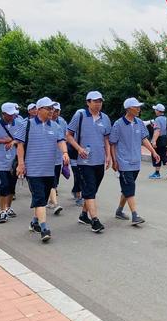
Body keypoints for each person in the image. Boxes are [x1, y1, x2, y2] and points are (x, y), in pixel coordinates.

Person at [15, 97, 69, 242]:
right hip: (33, 169)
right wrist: (21, 164)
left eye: (53, 108)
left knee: (43, 199)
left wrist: (65, 153)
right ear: (39, 110)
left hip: (49, 169)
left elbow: (61, 141)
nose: (52, 111)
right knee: (39, 198)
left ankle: (34, 221)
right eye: (48, 108)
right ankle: (44, 228)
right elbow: (19, 145)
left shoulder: (56, 126)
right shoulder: (26, 124)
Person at [110, 98, 160, 225]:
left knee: (127, 189)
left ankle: (119, 211)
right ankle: (135, 215)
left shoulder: (139, 123)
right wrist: (114, 160)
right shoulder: (118, 124)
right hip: (123, 163)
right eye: (136, 107)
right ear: (128, 109)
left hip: (136, 162)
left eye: (139, 107)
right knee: (130, 188)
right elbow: (113, 144)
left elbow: (144, 139)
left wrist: (153, 152)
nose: (139, 109)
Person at [66, 91, 111, 233]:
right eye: (95, 101)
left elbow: (106, 139)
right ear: (88, 102)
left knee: (92, 190)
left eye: (100, 101)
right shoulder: (79, 116)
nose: (98, 104)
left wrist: (108, 156)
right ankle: (95, 221)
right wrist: (79, 149)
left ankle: (84, 215)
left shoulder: (105, 118)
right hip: (84, 162)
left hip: (99, 160)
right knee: (90, 190)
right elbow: (68, 135)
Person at [46, 102, 66, 215]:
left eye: (58, 111)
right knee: (51, 181)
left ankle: (50, 200)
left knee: (55, 180)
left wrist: (65, 153)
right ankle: (55, 203)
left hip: (58, 157)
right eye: (54, 110)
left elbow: (63, 138)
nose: (56, 113)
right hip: (46, 157)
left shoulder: (62, 122)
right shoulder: (43, 123)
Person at [149, 103, 167, 180]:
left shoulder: (157, 119)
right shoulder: (166, 119)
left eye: (155, 109)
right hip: (165, 139)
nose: (154, 111)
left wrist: (154, 141)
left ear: (158, 111)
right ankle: (164, 171)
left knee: (157, 155)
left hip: (159, 140)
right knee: (163, 155)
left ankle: (164, 171)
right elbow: (163, 129)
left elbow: (157, 131)